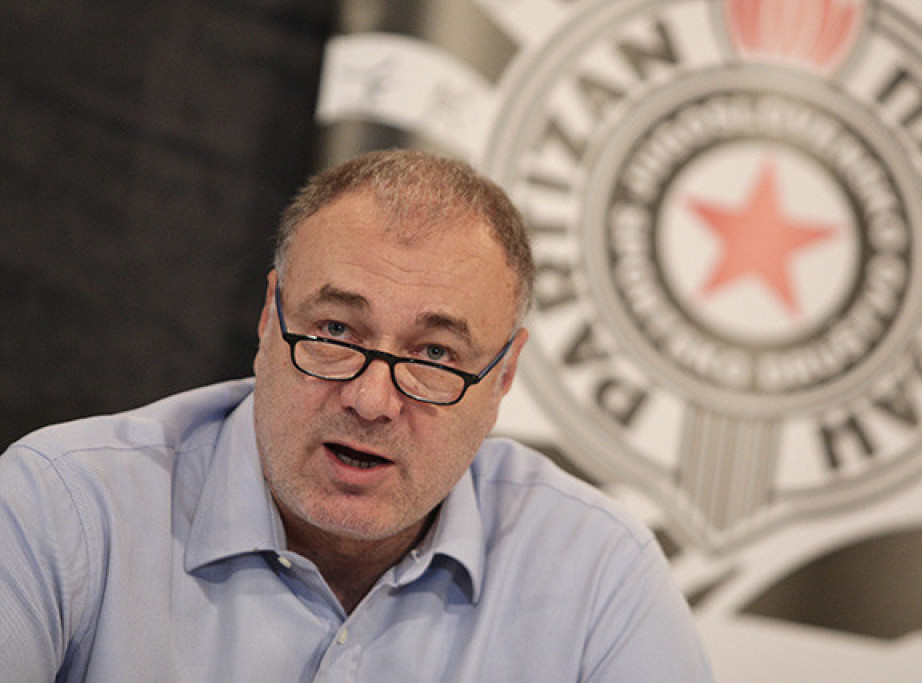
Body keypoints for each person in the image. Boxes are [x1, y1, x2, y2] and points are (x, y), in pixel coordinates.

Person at [0, 149, 712, 681]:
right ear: (270, 318)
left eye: (435, 354)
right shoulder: (64, 509)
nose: (371, 401)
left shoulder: (598, 572)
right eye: (336, 331)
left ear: (504, 376)